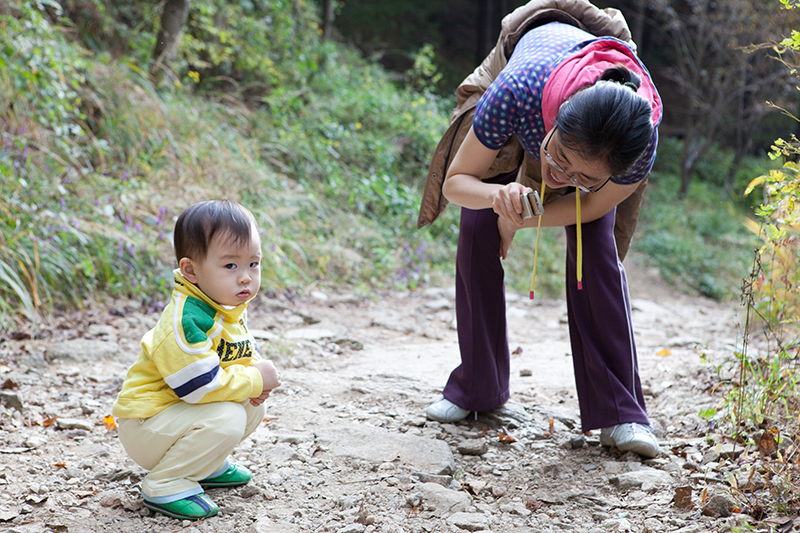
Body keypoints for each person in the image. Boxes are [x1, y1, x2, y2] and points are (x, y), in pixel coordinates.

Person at [417, 0, 662, 458]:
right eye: (558, 158)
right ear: (554, 123)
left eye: (583, 177)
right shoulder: (514, 92)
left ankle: (621, 412)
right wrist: (498, 200)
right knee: (477, 231)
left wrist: (525, 217)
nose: (559, 177)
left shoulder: (639, 136)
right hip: (529, 81)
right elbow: (456, 183)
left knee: (597, 253)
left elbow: (590, 209)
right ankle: (477, 389)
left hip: (592, 116)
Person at [112, 200, 282, 520]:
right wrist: (256, 379)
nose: (245, 277)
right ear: (191, 270)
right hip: (147, 425)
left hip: (173, 417)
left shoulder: (222, 306)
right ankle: (166, 482)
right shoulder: (186, 320)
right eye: (231, 266)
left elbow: (236, 354)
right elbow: (198, 387)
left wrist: (255, 376)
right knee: (229, 416)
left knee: (251, 405)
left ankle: (203, 465)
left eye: (253, 264)